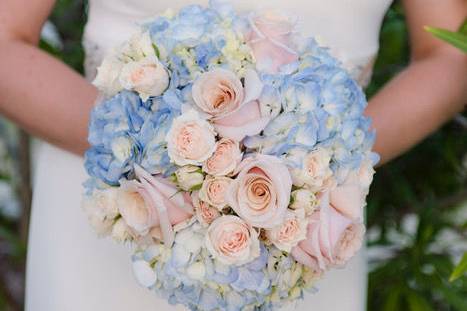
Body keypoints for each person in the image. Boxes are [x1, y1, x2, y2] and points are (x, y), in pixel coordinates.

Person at [0, 0, 466, 310]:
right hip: (116, 211)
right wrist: (153, 153)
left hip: (304, 230)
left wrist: (333, 156)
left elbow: (452, 51)